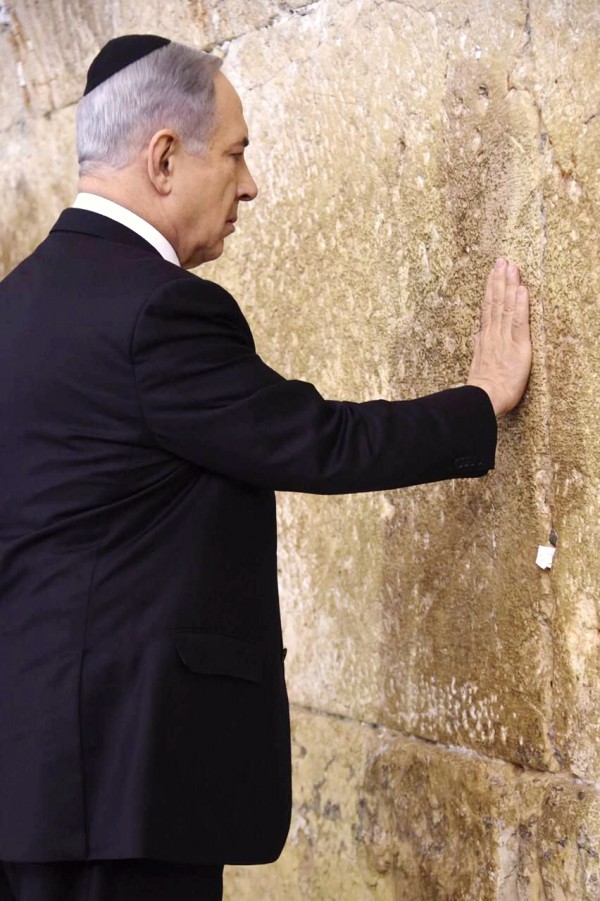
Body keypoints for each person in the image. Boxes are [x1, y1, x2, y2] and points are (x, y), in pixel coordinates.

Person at [0, 34, 531, 901]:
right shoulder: (159, 311)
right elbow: (317, 441)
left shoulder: (15, 305)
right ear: (165, 157)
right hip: (120, 786)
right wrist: (480, 402)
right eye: (238, 154)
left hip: (28, 776)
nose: (249, 185)